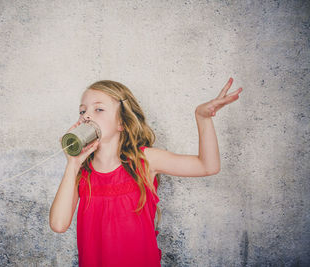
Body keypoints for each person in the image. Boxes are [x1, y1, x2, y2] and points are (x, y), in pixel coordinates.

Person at [49, 78, 242, 266]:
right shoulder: (80, 172)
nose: (87, 116)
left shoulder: (145, 160)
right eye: (82, 111)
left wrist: (202, 117)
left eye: (98, 109)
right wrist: (72, 164)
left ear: (121, 123)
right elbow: (58, 224)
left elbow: (208, 166)